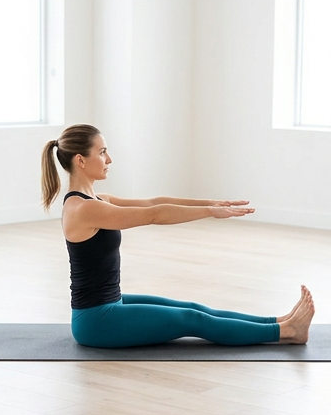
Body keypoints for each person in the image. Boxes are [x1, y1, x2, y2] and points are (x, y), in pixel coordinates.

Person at [42, 123, 313, 347]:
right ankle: (287, 332)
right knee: (192, 320)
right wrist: (209, 212)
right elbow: (154, 215)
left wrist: (210, 203)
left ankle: (278, 321)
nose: (109, 159)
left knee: (194, 308)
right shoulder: (83, 209)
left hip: (111, 303)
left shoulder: (97, 199)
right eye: (102, 152)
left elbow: (153, 202)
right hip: (97, 321)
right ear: (80, 160)